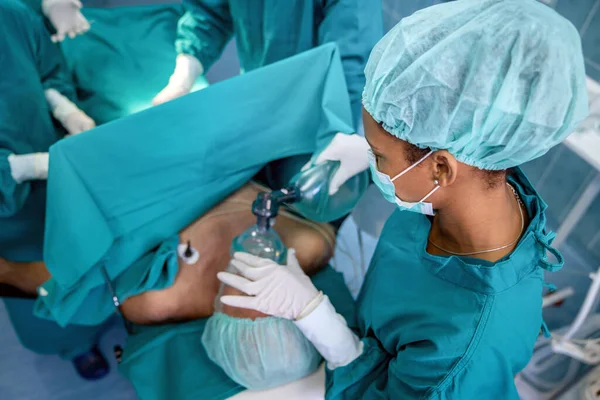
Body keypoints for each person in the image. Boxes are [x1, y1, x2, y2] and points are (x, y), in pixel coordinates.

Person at [215, 0, 590, 398]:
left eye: (378, 156)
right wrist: (371, 150)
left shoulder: (465, 346)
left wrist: (319, 320)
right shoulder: (475, 181)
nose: (373, 164)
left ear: (441, 169)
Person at [1, 181, 338, 390]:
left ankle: (75, 348)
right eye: (269, 308)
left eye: (242, 306)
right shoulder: (309, 245)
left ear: (219, 321)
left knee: (47, 289)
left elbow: (86, 271)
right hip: (209, 152)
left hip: (125, 188)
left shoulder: (161, 300)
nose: (252, 290)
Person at [0, 0, 105, 381]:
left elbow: (46, 68)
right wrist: (20, 169)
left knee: (82, 258)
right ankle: (74, 346)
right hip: (7, 223)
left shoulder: (10, 14)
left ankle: (97, 322)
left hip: (54, 181)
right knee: (36, 289)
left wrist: (64, 109)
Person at [152, 0, 383, 129]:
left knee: (314, 199)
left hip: (318, 117)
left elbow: (351, 55)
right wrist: (184, 74)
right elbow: (210, 12)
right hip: (257, 103)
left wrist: (343, 129)